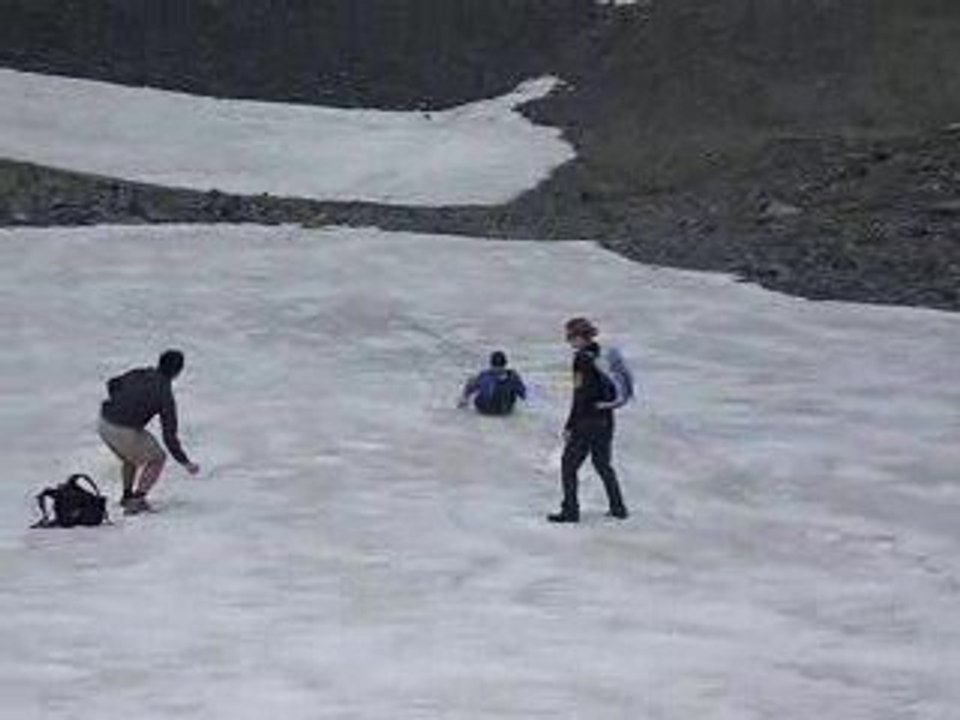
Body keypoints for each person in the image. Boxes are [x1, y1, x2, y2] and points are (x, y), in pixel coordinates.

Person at [98, 349, 200, 514]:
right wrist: (185, 462)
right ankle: (137, 501)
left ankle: (127, 496)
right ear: (178, 372)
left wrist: (122, 403)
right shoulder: (164, 394)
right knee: (158, 458)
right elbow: (169, 436)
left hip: (104, 423)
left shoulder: (140, 373)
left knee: (130, 457)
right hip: (124, 430)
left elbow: (112, 383)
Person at [548, 318, 628, 523]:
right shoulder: (600, 354)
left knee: (568, 465)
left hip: (587, 421)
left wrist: (570, 424)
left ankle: (570, 511)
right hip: (606, 418)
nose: (568, 341)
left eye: (570, 337)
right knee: (603, 464)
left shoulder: (581, 360)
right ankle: (618, 507)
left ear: (579, 337)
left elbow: (580, 395)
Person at [458, 351, 527, 416]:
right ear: (505, 364)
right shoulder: (512, 376)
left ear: (491, 364)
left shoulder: (484, 375)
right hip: (504, 411)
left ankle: (464, 401)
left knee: (473, 382)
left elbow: (470, 386)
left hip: (484, 410)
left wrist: (465, 398)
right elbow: (523, 395)